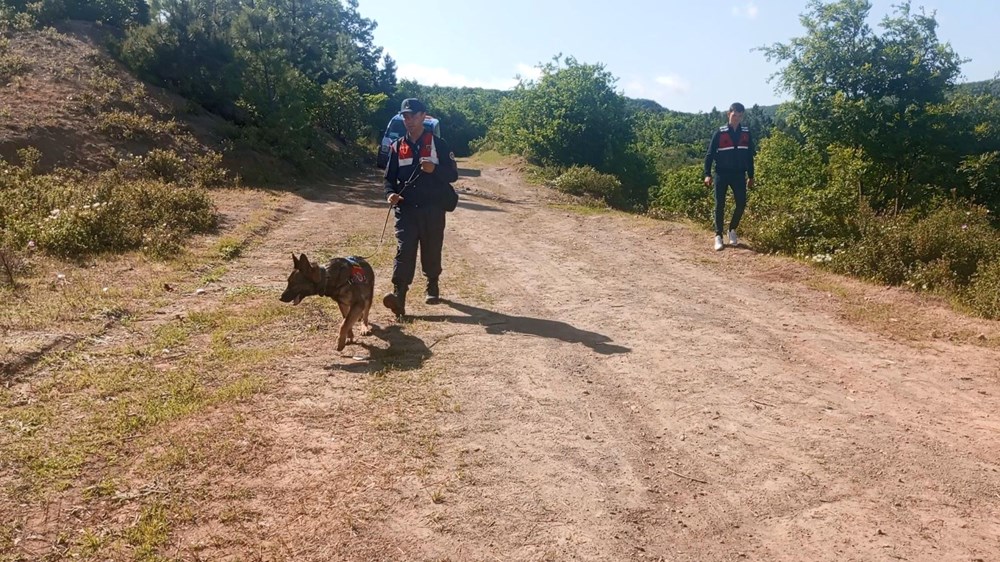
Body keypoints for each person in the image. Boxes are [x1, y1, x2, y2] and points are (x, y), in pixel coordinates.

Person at [382, 98, 459, 318]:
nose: (408, 120)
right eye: (405, 116)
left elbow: (453, 175)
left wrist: (434, 169)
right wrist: (390, 194)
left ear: (423, 116)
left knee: (432, 248)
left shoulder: (439, 145)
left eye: (413, 115)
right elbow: (388, 179)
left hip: (433, 209)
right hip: (406, 210)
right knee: (404, 251)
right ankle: (399, 297)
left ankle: (432, 283)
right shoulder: (397, 147)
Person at [704, 102, 755, 251]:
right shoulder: (719, 133)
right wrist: (707, 174)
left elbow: (749, 157)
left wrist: (751, 176)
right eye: (734, 115)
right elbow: (709, 154)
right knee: (720, 204)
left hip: (739, 174)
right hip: (721, 173)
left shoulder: (746, 132)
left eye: (740, 115)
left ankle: (732, 229)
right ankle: (718, 236)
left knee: (741, 203)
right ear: (729, 114)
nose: (737, 118)